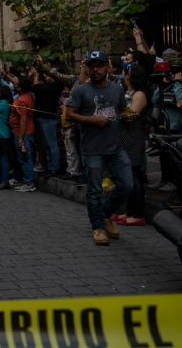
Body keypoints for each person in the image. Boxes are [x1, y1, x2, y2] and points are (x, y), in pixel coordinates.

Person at [66, 50, 133, 246]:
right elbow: (69, 114)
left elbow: (122, 110)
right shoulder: (80, 91)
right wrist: (92, 120)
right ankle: (98, 227)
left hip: (115, 148)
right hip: (92, 149)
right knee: (95, 190)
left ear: (108, 67)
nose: (95, 70)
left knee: (127, 184)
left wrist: (128, 115)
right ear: (87, 68)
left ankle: (104, 215)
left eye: (99, 66)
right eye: (92, 66)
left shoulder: (117, 89)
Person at [113, 64, 151, 225]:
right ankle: (128, 211)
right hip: (123, 136)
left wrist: (113, 113)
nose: (122, 75)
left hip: (134, 137)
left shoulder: (140, 94)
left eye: (124, 72)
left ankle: (137, 213)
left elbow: (131, 115)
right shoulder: (126, 92)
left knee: (134, 175)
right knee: (126, 175)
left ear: (130, 75)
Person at [9, 76, 36, 192]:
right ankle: (25, 180)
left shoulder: (22, 100)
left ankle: (29, 183)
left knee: (25, 158)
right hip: (24, 132)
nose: (14, 84)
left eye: (17, 83)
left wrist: (21, 137)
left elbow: (23, 119)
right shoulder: (29, 95)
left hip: (23, 133)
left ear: (20, 87)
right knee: (24, 157)